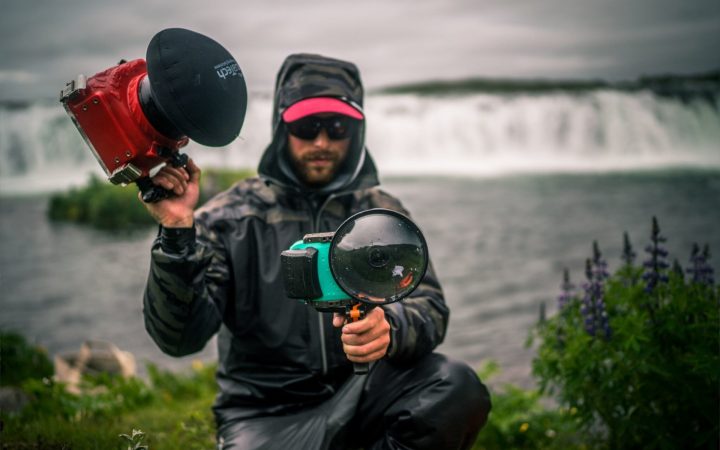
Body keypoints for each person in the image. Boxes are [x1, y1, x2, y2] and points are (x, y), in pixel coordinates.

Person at [141, 53, 491, 449]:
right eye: (307, 126)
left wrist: (389, 327)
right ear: (281, 126)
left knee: (456, 386)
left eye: (336, 126)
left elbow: (430, 306)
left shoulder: (383, 213)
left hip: (364, 392)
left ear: (355, 131)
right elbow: (180, 339)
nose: (322, 142)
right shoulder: (229, 218)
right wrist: (176, 232)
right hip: (264, 413)